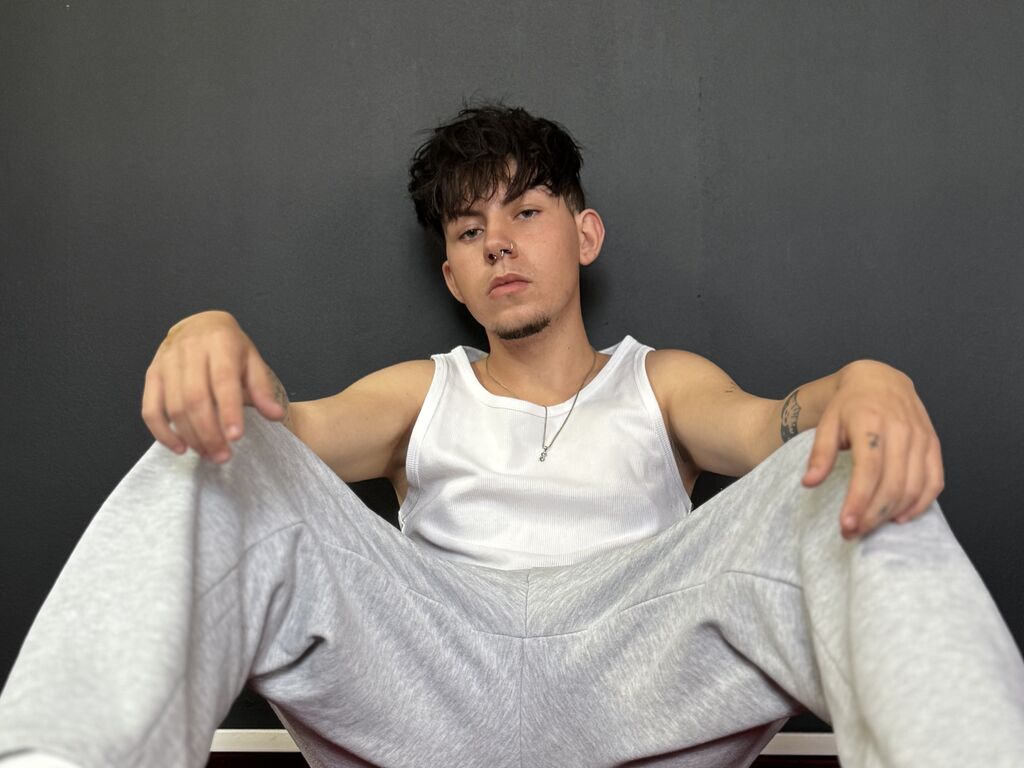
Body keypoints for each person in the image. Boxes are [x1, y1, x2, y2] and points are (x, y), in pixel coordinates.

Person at [1, 104, 1022, 767]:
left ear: (583, 233)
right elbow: (278, 435)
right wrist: (203, 333)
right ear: (452, 276)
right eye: (467, 230)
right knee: (217, 454)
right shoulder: (420, 392)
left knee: (850, 462)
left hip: (633, 665)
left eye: (526, 211)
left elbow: (769, 427)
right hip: (433, 671)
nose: (497, 242)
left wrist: (864, 383)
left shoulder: (659, 380)